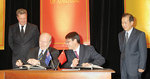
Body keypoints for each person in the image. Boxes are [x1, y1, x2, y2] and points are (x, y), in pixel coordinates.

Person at [118, 13, 147, 79]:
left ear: (132, 23)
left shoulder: (140, 34)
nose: (123, 25)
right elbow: (122, 51)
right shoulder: (120, 35)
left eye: (125, 23)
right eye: (122, 23)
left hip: (135, 68)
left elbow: (143, 52)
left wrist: (142, 67)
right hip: (123, 68)